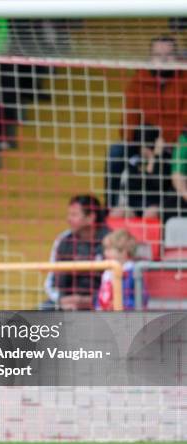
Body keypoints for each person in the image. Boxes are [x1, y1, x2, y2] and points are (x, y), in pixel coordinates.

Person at [105, 36, 187, 208]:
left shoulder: (184, 79)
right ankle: (110, 206)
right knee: (116, 151)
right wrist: (140, 146)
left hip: (177, 140)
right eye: (158, 55)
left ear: (178, 57)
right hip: (144, 141)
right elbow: (128, 121)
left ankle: (168, 207)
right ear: (150, 57)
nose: (163, 59)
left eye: (169, 55)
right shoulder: (138, 81)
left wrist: (167, 142)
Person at [54, 194, 110, 311]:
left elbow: (116, 284)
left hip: (102, 305)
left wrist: (90, 301)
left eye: (74, 215)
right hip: (70, 305)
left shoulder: (110, 241)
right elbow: (59, 282)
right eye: (69, 214)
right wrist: (62, 301)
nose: (68, 219)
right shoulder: (65, 242)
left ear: (90, 217)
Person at [96, 229, 142, 311]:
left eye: (109, 249)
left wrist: (121, 305)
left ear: (124, 252)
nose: (105, 253)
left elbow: (141, 298)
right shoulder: (107, 273)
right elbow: (101, 295)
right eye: (105, 249)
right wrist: (98, 307)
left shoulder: (133, 272)